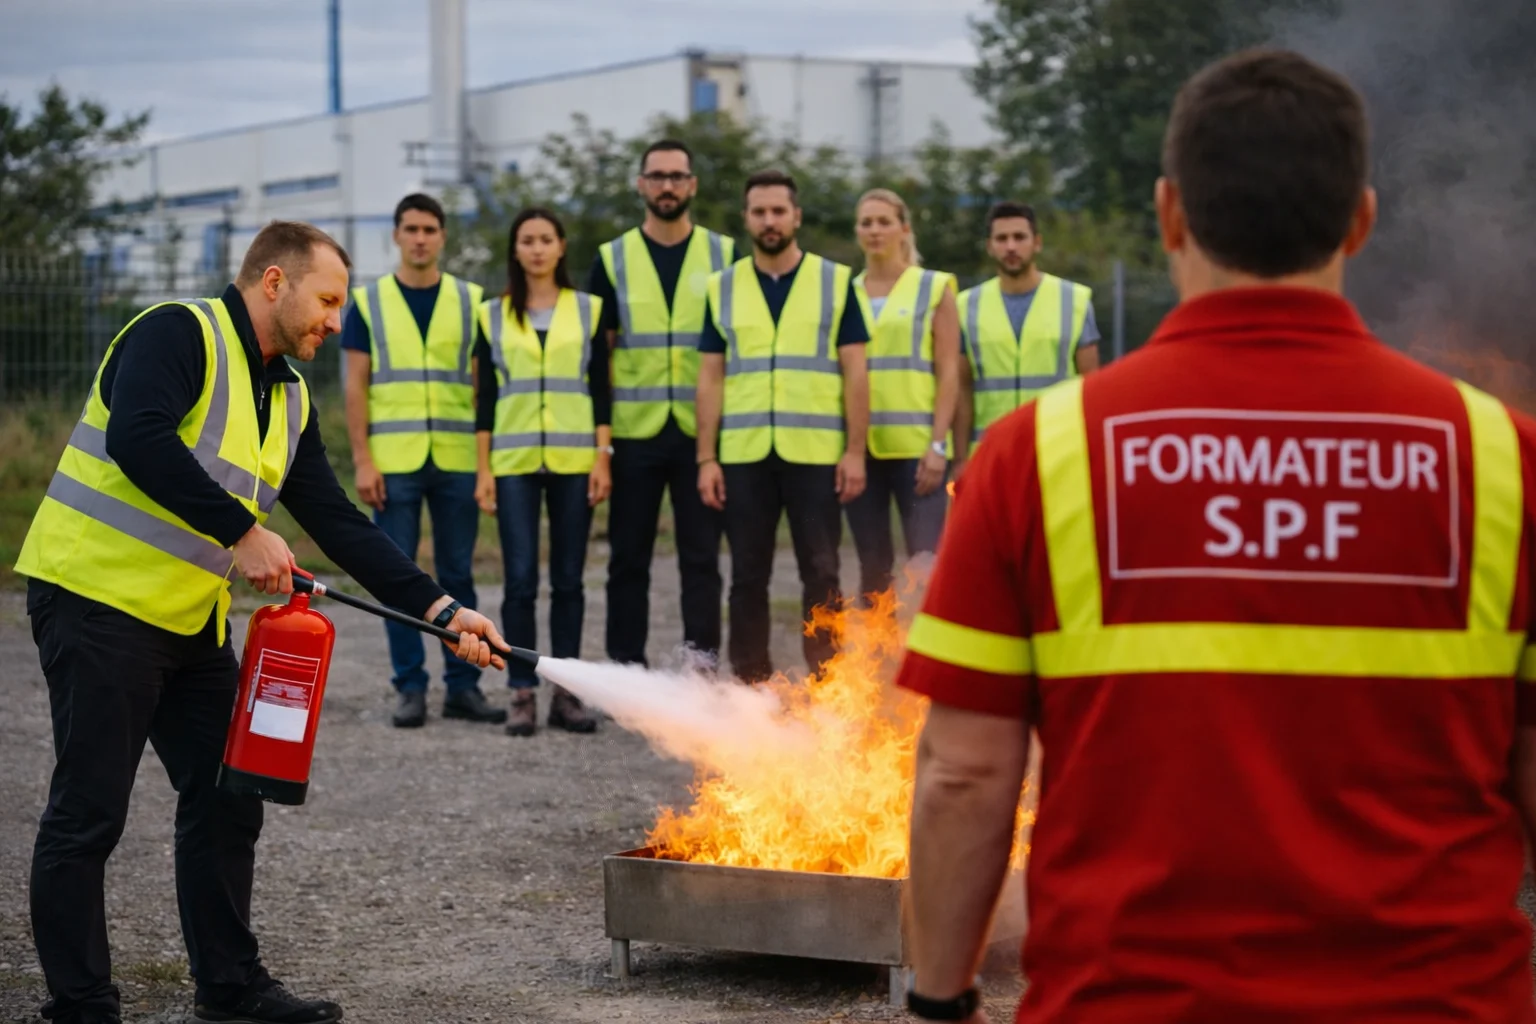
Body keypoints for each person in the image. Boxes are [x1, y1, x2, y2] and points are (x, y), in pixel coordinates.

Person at [897, 48, 1536, 1024]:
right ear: (1360, 221)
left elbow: (964, 771)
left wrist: (940, 1002)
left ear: (1168, 214)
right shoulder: (1503, 458)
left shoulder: (1036, 454)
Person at [14, 221, 508, 1024]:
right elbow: (139, 437)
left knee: (228, 794)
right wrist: (241, 531)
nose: (336, 321)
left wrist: (441, 609)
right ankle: (82, 1005)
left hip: (188, 620)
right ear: (274, 282)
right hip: (96, 601)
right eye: (328, 301)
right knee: (90, 811)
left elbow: (337, 521)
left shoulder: (290, 396)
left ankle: (229, 988)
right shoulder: (178, 332)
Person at [695, 169, 870, 682]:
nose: (769, 220)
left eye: (778, 211)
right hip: (744, 455)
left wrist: (855, 451)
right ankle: (752, 684)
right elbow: (710, 376)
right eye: (759, 212)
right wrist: (706, 457)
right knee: (748, 576)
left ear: (796, 216)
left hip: (815, 454)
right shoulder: (723, 287)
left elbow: (856, 371)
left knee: (822, 571)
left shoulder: (835, 281)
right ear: (746, 218)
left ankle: (828, 682)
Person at [341, 193, 505, 729]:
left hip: (457, 457)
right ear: (396, 235)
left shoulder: (471, 300)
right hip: (394, 462)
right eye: (410, 229)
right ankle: (409, 687)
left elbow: (483, 389)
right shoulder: (368, 303)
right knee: (398, 576)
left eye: (429, 229)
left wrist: (485, 463)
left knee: (458, 574)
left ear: (442, 236)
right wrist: (363, 460)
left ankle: (463, 687)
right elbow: (355, 386)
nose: (419, 238)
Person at [586, 139, 735, 669]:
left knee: (702, 560)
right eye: (657, 177)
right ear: (641, 184)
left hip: (702, 435)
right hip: (635, 433)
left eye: (676, 177)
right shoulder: (612, 259)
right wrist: (603, 442)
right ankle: (628, 670)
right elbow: (598, 358)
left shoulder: (724, 255)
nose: (667, 186)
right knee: (628, 560)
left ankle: (701, 672)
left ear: (692, 185)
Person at [474, 208, 610, 736]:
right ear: (516, 249)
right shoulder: (492, 315)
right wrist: (484, 470)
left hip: (576, 460)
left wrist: (603, 456)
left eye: (545, 239)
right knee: (520, 580)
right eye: (527, 240)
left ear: (561, 246)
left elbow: (602, 388)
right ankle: (521, 692)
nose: (536, 248)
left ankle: (567, 694)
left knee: (569, 580)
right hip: (513, 462)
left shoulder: (589, 310)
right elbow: (486, 399)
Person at [845, 188, 962, 604]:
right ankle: (877, 649)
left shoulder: (933, 287)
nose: (875, 230)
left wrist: (938, 444)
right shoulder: (845, 291)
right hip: (863, 450)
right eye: (866, 222)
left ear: (904, 229)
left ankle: (926, 645)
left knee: (925, 566)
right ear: (857, 230)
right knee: (872, 567)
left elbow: (949, 372)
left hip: (918, 451)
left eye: (884, 222)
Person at [955, 201, 1100, 462]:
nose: (1011, 246)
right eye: (1002, 239)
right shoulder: (966, 306)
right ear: (990, 246)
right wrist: (960, 460)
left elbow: (1089, 387)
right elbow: (962, 390)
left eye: (1019, 237)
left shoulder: (1073, 301)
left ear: (1037, 243)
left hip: (1055, 450)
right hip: (990, 452)